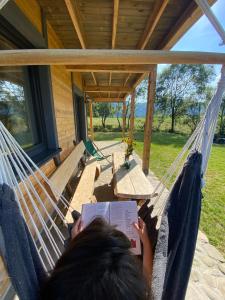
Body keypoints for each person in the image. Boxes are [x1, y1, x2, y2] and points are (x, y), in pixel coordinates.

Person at [40, 216, 153, 300]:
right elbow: (146, 281)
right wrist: (146, 243)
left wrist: (77, 244)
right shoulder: (134, 294)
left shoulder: (60, 291)